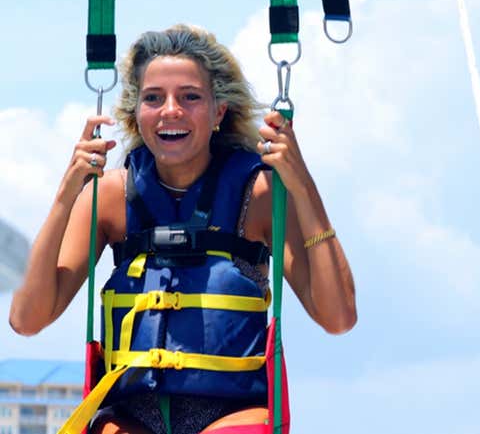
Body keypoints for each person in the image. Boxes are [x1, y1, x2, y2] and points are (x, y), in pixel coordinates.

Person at [9, 24, 357, 434]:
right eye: (153, 98)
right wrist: (67, 195)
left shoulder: (258, 194)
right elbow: (27, 320)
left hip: (231, 414)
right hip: (131, 415)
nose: (170, 110)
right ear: (138, 114)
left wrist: (302, 186)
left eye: (189, 97)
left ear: (218, 111)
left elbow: (337, 317)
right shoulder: (109, 197)